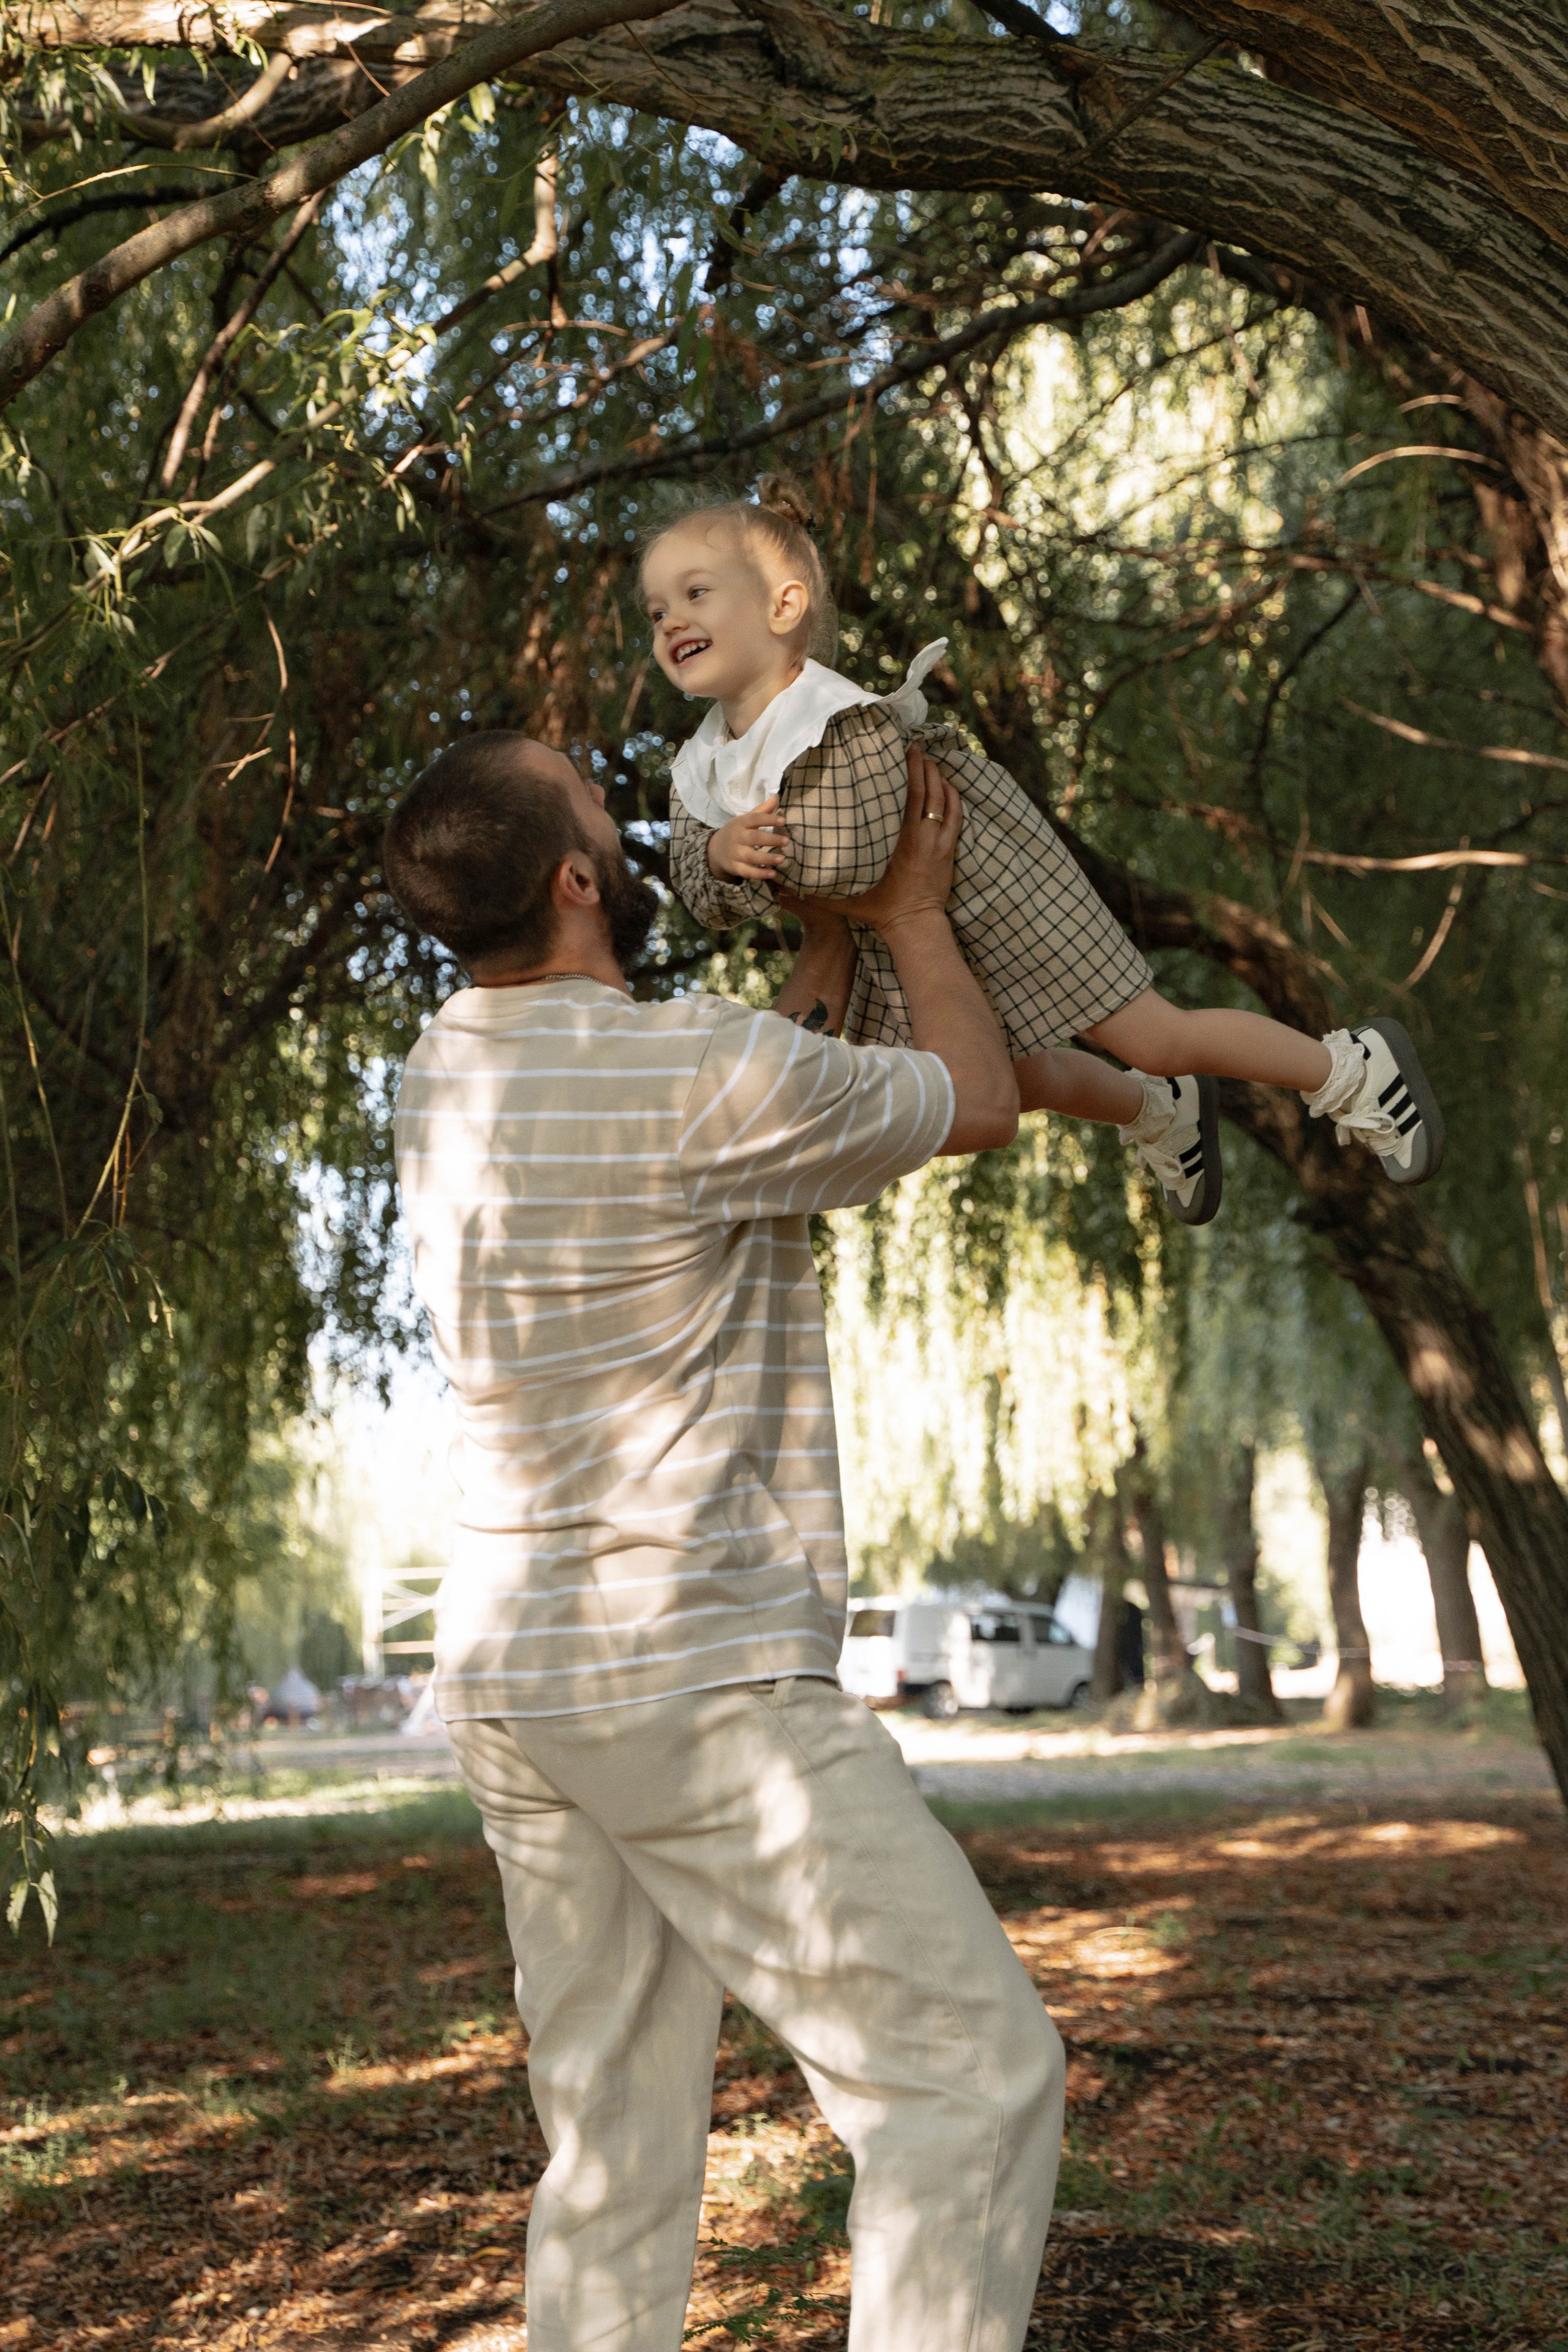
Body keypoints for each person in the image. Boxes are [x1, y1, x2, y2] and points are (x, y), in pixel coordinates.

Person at [382, 731, 1064, 2352]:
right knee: (970, 2080)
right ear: (576, 878)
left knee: (611, 2148)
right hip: (686, 1670)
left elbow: (748, 1121)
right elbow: (974, 1100)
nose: (625, 821)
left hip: (516, 1676)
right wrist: (907, 914)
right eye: (600, 808)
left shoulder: (441, 1076)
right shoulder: (692, 1070)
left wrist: (816, 944)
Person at [649, 477, 1446, 1226]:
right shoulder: (703, 764)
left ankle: (1347, 1069)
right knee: (999, 1079)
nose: (671, 622)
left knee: (1153, 1037)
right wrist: (722, 854)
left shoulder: (836, 715)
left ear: (784, 605)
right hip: (893, 936)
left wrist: (774, 870)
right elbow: (699, 889)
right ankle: (1162, 1109)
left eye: (695, 594)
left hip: (995, 883)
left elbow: (855, 858)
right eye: (656, 612)